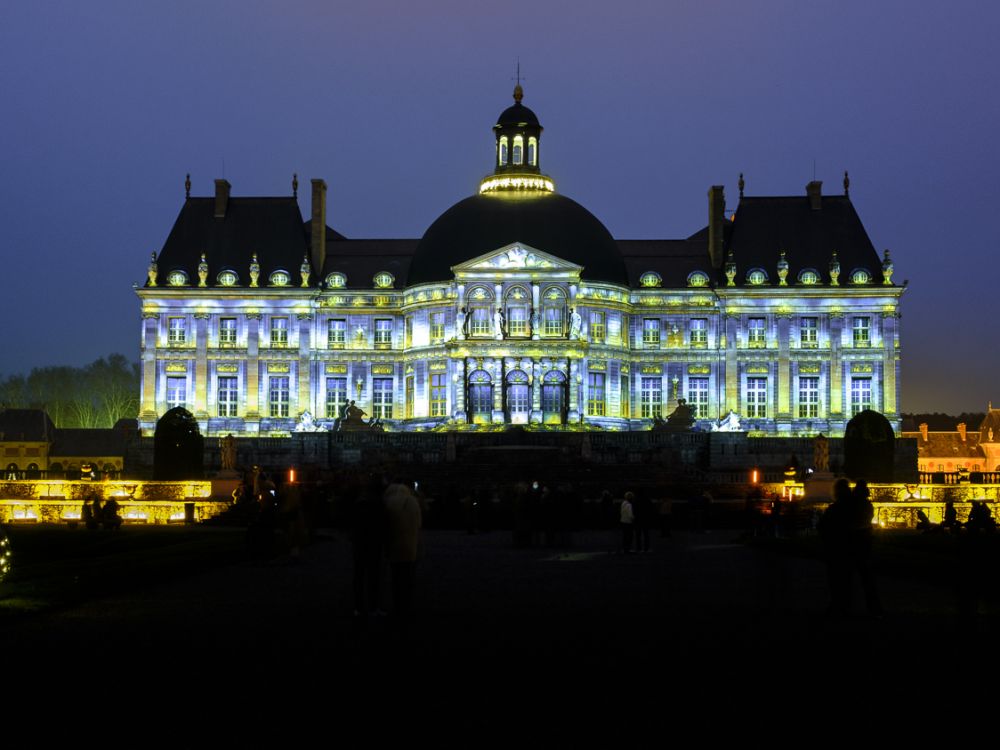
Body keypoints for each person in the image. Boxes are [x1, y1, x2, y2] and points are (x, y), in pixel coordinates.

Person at [818, 478, 882, 617]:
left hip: (842, 549)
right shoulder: (862, 505)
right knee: (866, 580)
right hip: (862, 547)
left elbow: (823, 526)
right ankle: (873, 608)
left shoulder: (838, 507)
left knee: (841, 580)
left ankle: (841, 606)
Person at [384, 478, 422, 623]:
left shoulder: (389, 503)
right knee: (408, 576)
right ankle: (407, 604)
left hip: (394, 546)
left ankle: (397, 604)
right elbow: (419, 523)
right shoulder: (412, 502)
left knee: (396, 577)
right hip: (410, 545)